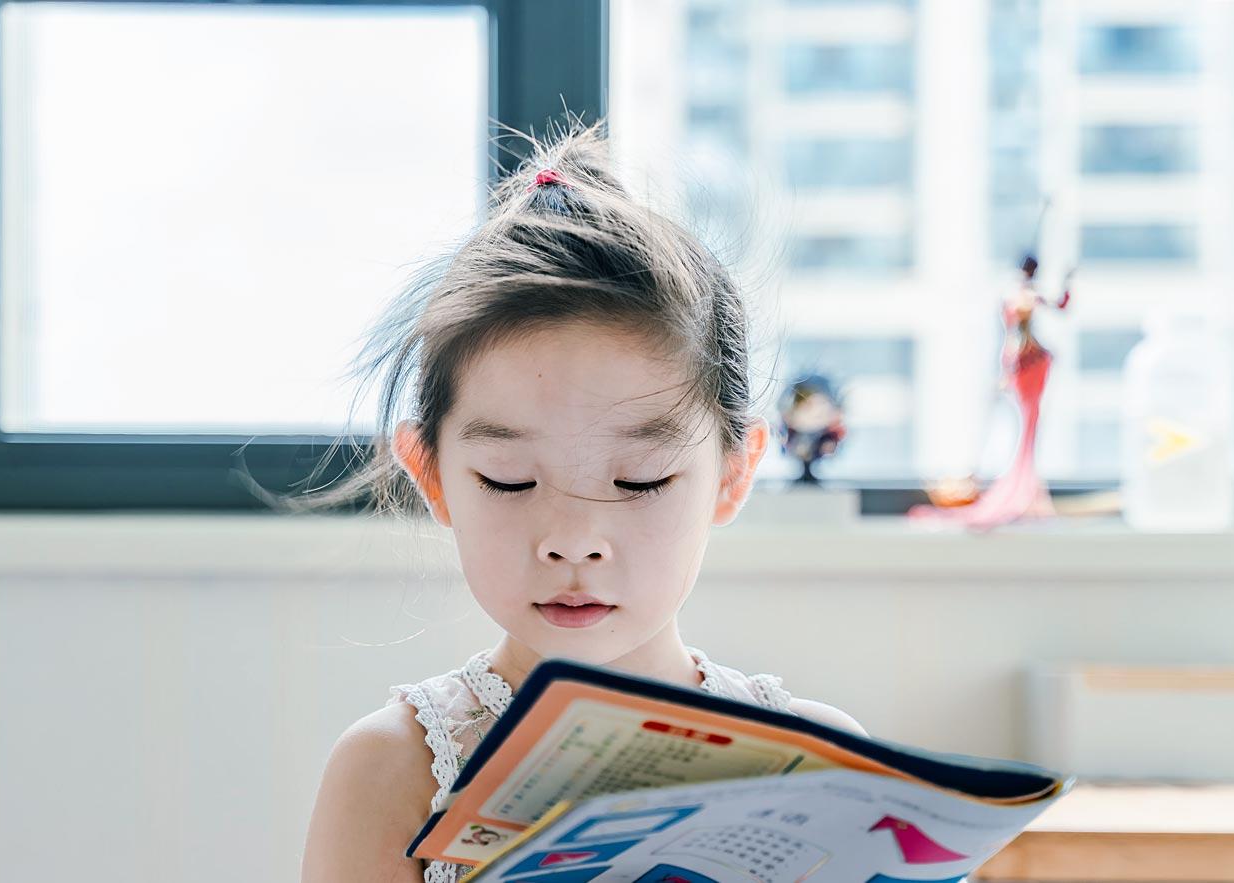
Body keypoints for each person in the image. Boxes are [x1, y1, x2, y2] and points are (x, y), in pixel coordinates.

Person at [293, 119, 868, 883]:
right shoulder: (394, 772)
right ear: (431, 474)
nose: (572, 540)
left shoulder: (823, 766)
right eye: (508, 479)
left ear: (733, 474)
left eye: (639, 480)